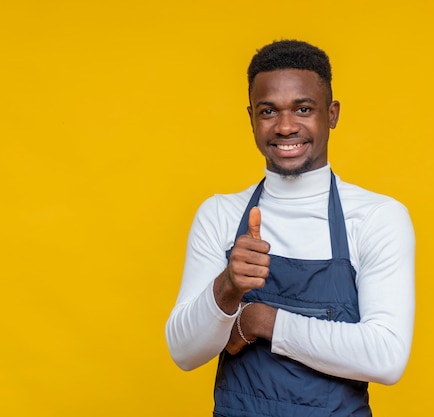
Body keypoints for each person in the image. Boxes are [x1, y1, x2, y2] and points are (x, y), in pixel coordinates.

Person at [165, 40, 415, 417]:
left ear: (331, 114)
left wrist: (260, 319)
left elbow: (386, 357)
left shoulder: (376, 218)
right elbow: (184, 353)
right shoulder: (220, 214)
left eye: (302, 109)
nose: (285, 126)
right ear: (251, 117)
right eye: (268, 111)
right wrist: (228, 288)